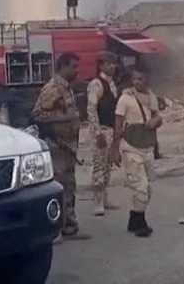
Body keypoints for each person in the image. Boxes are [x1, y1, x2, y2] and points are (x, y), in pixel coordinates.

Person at [31, 53, 89, 240]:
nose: (77, 71)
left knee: (69, 185)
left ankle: (69, 225)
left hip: (68, 146)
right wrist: (62, 119)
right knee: (60, 186)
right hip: (58, 145)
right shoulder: (53, 89)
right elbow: (38, 114)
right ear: (63, 67)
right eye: (73, 67)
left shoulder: (66, 88)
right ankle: (56, 228)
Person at [110, 63, 162, 237]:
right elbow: (118, 124)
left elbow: (156, 118)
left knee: (147, 189)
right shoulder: (125, 99)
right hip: (131, 147)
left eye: (141, 78)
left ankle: (134, 219)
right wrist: (115, 149)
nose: (137, 82)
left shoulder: (152, 97)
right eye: (134, 78)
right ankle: (140, 224)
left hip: (147, 147)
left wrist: (156, 122)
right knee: (141, 187)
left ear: (148, 79)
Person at [87, 52, 120, 216]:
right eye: (109, 63)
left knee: (108, 166)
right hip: (101, 130)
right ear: (101, 66)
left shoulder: (112, 84)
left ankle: (105, 198)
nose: (112, 66)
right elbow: (91, 109)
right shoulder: (96, 84)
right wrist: (98, 133)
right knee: (99, 166)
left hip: (111, 129)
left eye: (114, 63)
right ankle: (97, 202)